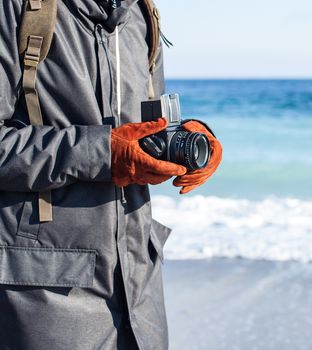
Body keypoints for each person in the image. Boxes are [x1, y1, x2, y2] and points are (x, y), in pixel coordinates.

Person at [0, 0, 222, 348]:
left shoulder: (142, 13)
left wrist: (187, 140)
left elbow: (148, 128)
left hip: (139, 289)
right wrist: (105, 151)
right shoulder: (17, 7)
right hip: (46, 294)